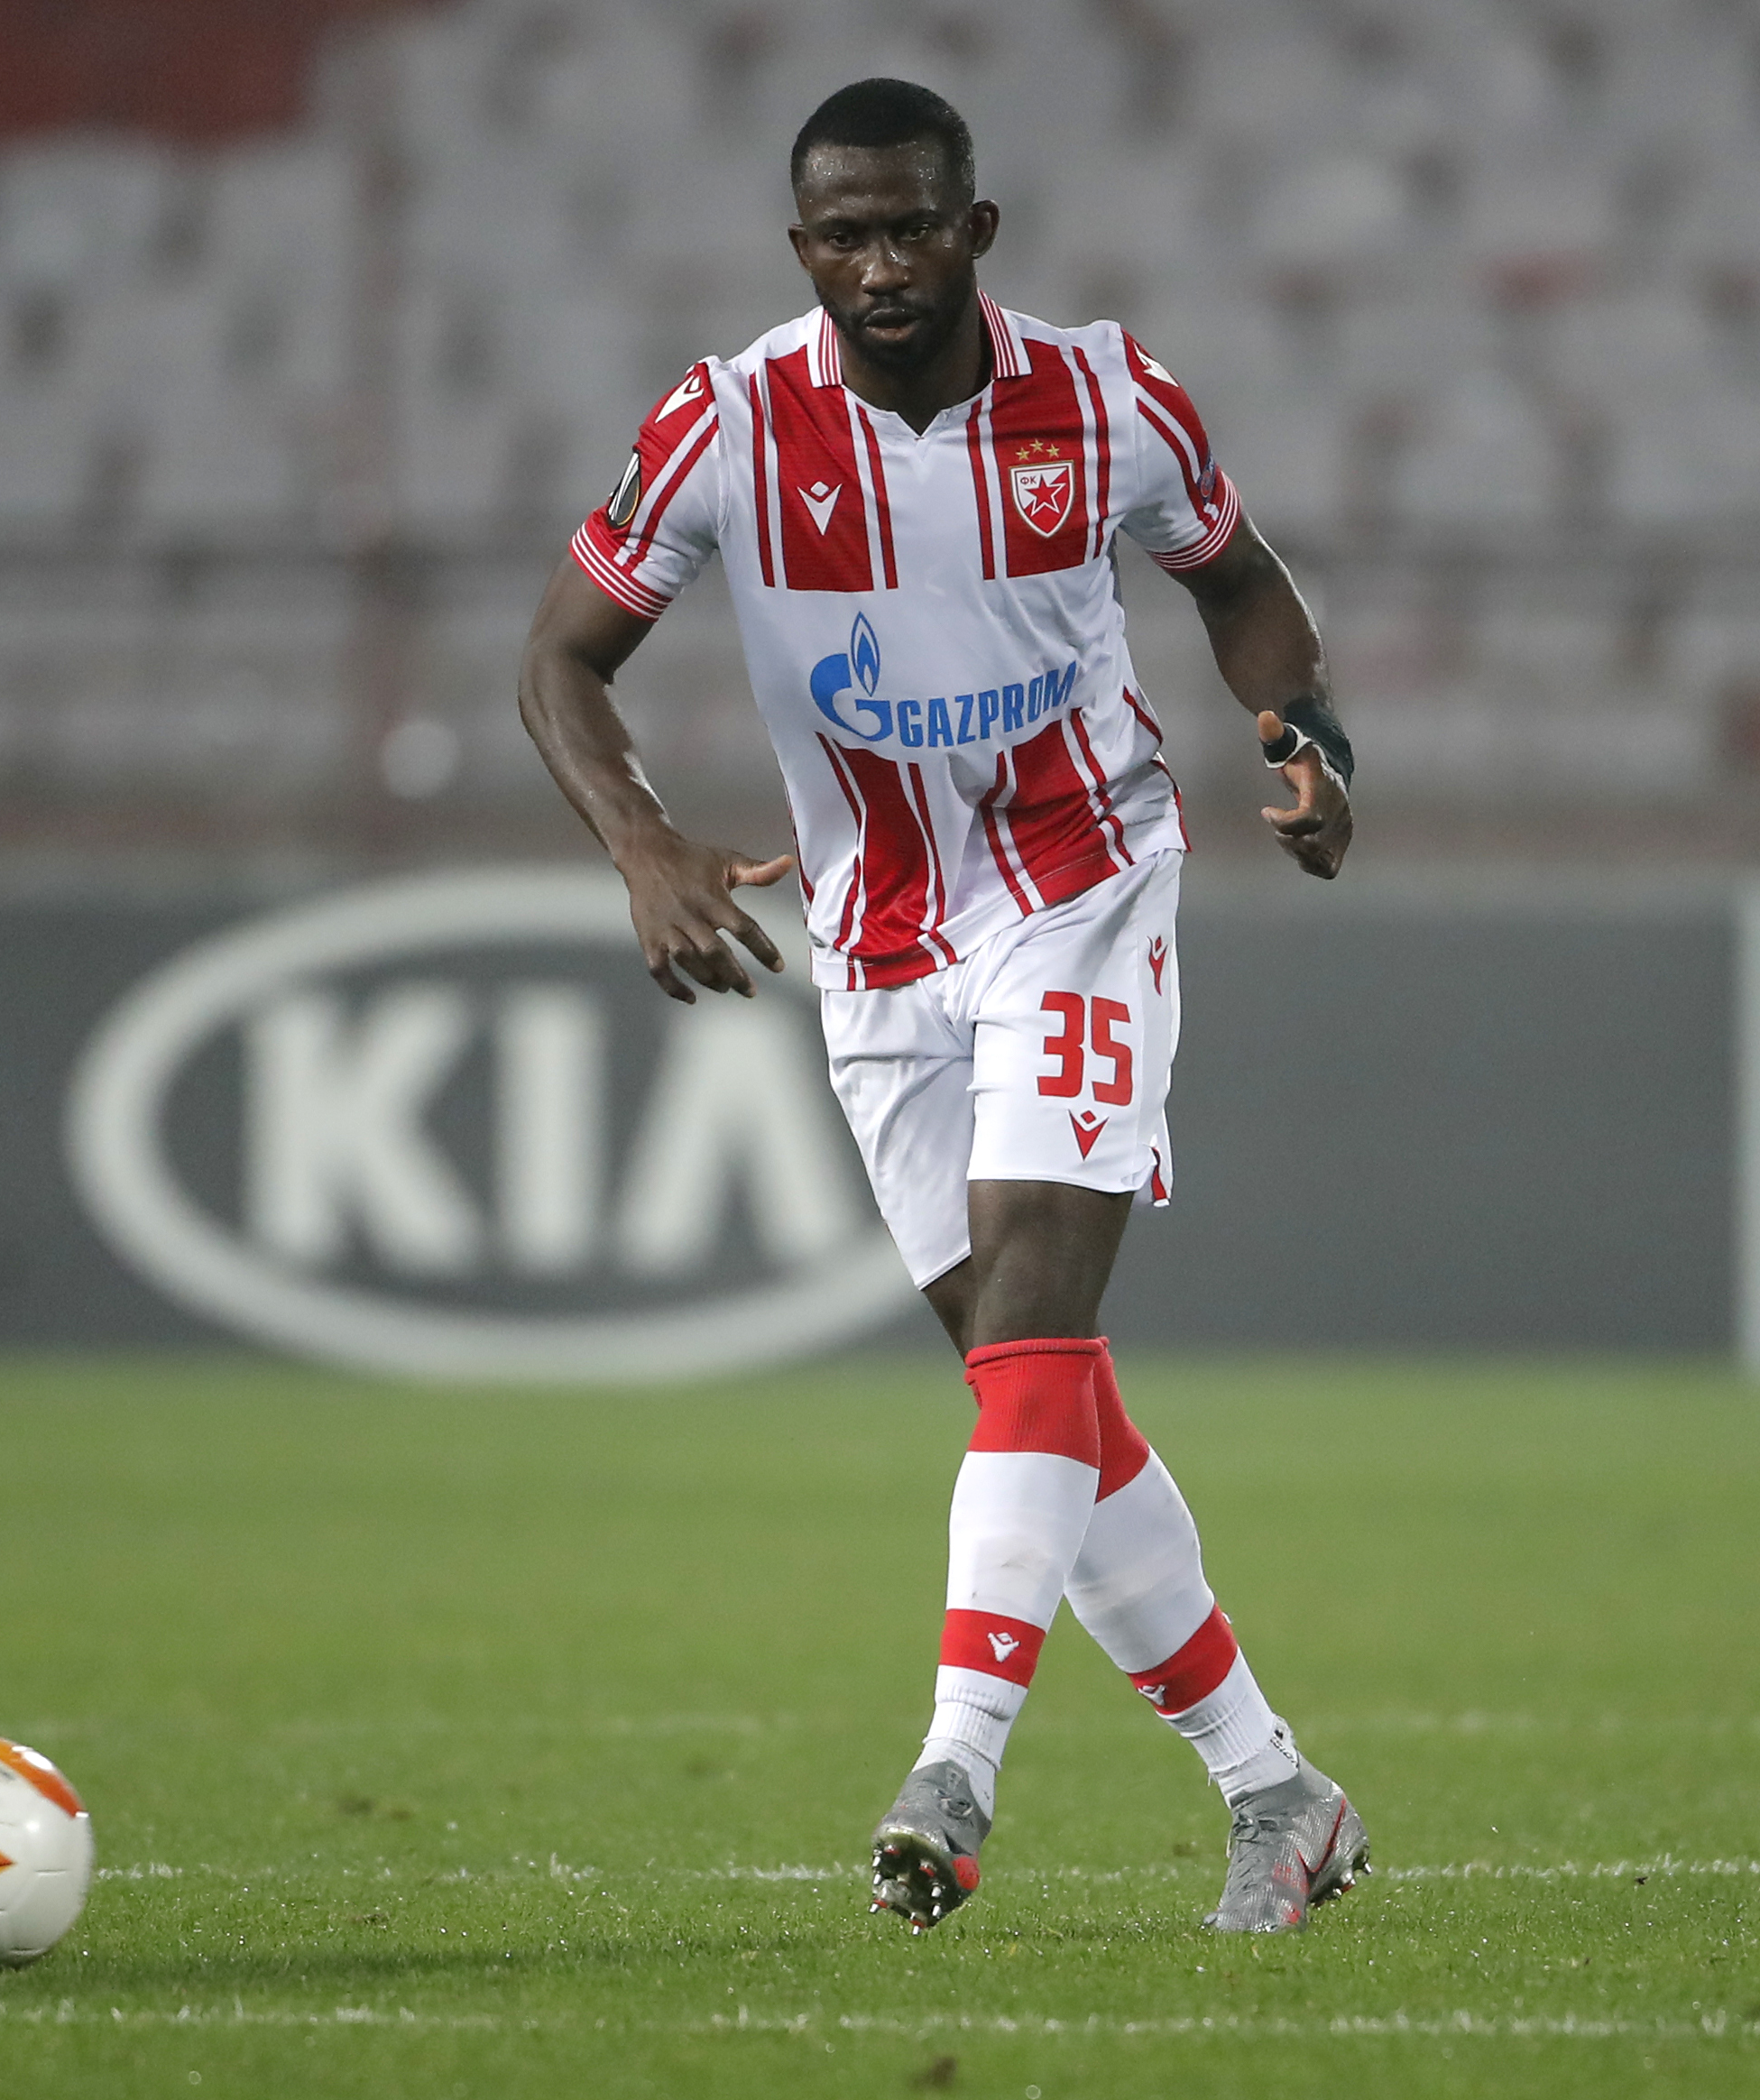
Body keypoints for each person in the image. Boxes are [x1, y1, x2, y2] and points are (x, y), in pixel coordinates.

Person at [516, 78, 1367, 1934]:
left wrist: (1301, 732)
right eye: (846, 234)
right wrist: (642, 844)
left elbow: (1239, 582)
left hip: (1082, 883)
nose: (883, 264)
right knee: (1023, 1379)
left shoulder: (1107, 398)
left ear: (979, 232)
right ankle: (1275, 1789)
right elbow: (562, 661)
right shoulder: (726, 427)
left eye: (915, 227)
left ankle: (953, 1767)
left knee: (1040, 1318)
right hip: (876, 935)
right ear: (800, 246)